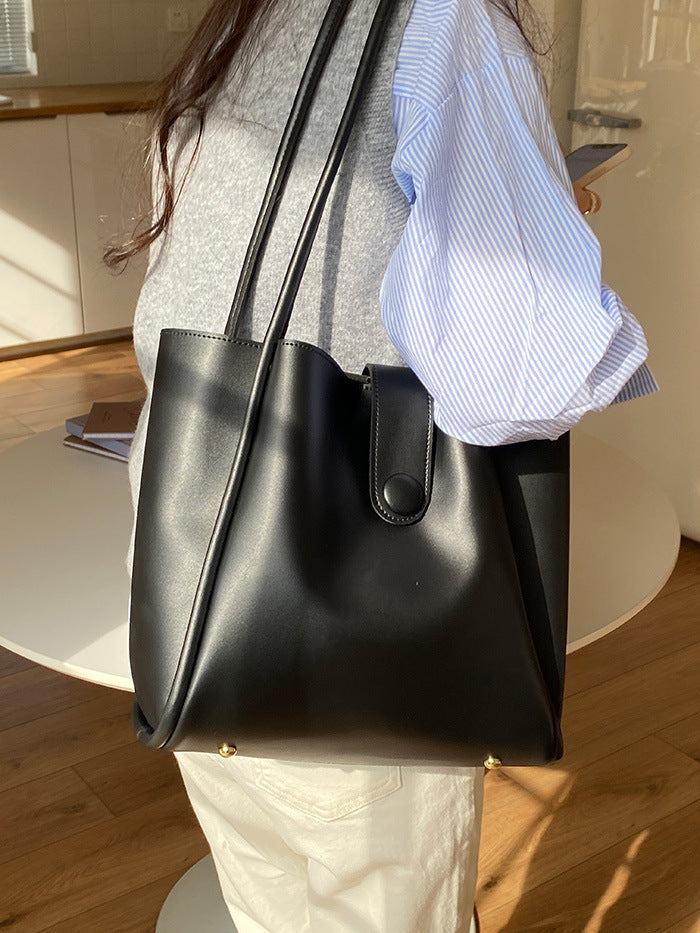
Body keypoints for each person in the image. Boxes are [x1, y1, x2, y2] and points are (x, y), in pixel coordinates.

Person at [113, 0, 657, 930]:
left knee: (269, 907)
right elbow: (516, 377)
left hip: (198, 588)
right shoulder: (449, 22)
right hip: (362, 640)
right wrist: (546, 238)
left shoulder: (254, 17)